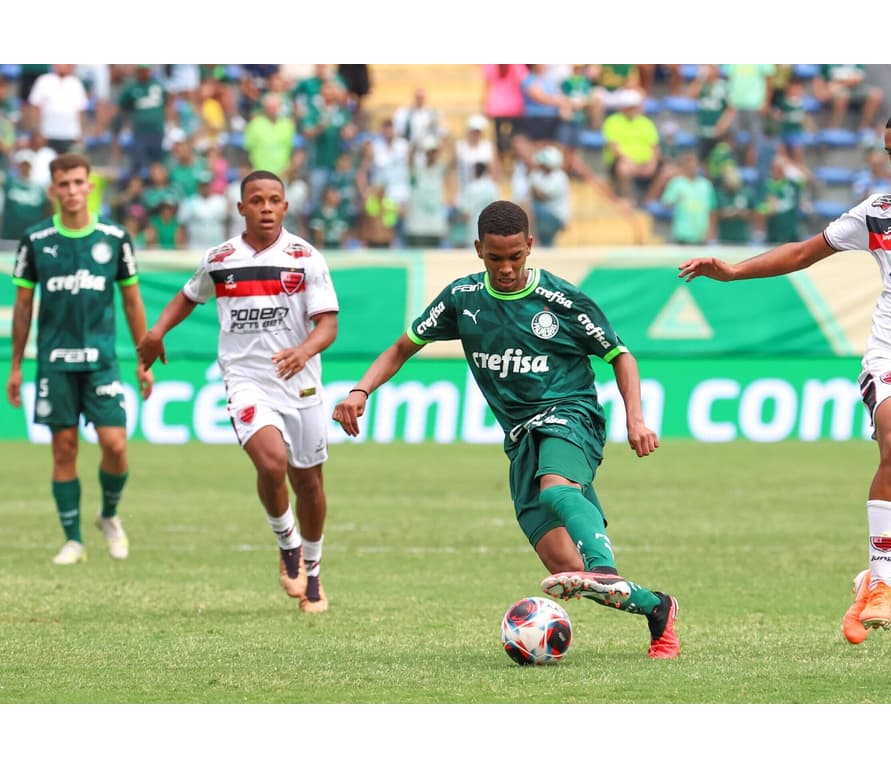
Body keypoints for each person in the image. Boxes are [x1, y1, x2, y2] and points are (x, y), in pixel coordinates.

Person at [678, 104, 891, 645]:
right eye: (889, 153)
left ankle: (886, 573)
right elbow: (804, 251)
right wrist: (735, 271)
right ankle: (882, 585)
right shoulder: (878, 211)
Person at [332, 200, 680, 658]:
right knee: (565, 569)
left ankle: (604, 568)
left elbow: (620, 355)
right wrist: (360, 390)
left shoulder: (561, 300)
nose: (506, 268)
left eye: (515, 256)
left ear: (530, 246)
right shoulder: (462, 299)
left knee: (558, 491)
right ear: (479, 249)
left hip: (570, 414)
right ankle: (658, 609)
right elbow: (401, 348)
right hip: (520, 439)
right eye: (495, 258)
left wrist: (635, 418)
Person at [136, 170, 339, 613]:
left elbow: (328, 325)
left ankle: (314, 574)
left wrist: (304, 351)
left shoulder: (306, 258)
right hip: (246, 380)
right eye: (257, 200)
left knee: (309, 482)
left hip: (300, 384)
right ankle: (287, 543)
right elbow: (189, 295)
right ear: (241, 208)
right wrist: (156, 332)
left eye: (274, 200)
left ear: (285, 207)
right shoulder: (221, 258)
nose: (266, 208)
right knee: (271, 462)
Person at [7, 152, 155, 564]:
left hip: (101, 362)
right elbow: (23, 308)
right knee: (64, 449)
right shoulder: (36, 240)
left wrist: (143, 359)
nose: (72, 191)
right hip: (54, 363)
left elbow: (132, 301)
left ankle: (108, 514)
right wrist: (16, 366)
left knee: (116, 446)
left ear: (89, 186)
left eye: (78, 182)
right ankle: (73, 540)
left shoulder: (114, 237)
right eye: (64, 184)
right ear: (53, 190)